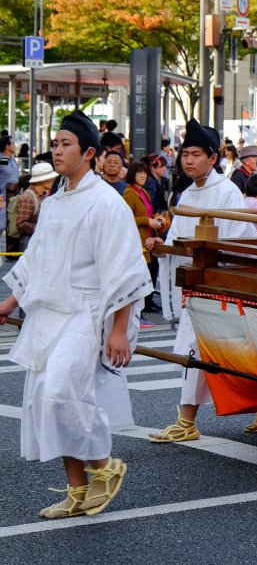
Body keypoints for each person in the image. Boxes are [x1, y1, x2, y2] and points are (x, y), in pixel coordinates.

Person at [0, 110, 152, 519]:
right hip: (49, 313)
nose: (57, 149)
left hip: (86, 314)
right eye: (55, 143)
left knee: (64, 393)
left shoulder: (106, 203)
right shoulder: (53, 202)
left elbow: (124, 268)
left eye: (65, 143)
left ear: (88, 153)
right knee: (47, 400)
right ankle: (77, 490)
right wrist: (10, 302)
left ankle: (105, 466)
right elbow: (36, 259)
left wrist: (119, 328)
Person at [147, 119, 257, 443]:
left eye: (196, 154)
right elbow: (179, 240)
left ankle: (187, 420)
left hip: (220, 285)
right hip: (196, 285)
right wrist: (162, 246)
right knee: (215, 351)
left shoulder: (227, 192)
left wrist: (202, 255)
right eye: (185, 154)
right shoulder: (186, 195)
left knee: (210, 350)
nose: (189, 160)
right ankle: (192, 419)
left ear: (213, 157)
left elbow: (238, 243)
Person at [123, 160, 165, 318]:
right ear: (132, 174)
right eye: (139, 172)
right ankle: (139, 307)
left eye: (144, 173)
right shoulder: (129, 194)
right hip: (138, 240)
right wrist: (148, 221)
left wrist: (156, 217)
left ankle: (148, 302)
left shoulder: (143, 192)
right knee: (142, 273)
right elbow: (126, 218)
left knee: (151, 270)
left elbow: (147, 213)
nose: (142, 175)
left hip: (148, 238)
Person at [15, 162, 57, 252]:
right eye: (50, 178)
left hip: (39, 238)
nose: (54, 179)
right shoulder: (28, 197)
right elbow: (21, 223)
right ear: (42, 180)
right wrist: (40, 228)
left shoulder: (44, 194)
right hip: (29, 241)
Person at [0, 134, 19, 231]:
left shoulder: (13, 159)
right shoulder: (3, 158)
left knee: (10, 227)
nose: (15, 146)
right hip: (2, 198)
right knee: (1, 225)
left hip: (13, 198)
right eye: (13, 143)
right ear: (7, 146)